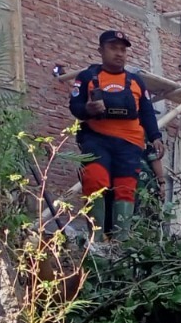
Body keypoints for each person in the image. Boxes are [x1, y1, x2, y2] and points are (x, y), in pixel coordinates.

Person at [69, 30, 163, 241]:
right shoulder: (86, 78)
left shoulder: (136, 81)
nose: (119, 53)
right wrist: (88, 109)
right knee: (94, 179)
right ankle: (98, 240)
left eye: (122, 49)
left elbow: (147, 111)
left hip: (130, 144)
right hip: (96, 139)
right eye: (113, 48)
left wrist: (155, 136)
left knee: (126, 189)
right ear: (101, 50)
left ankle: (120, 246)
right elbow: (74, 106)